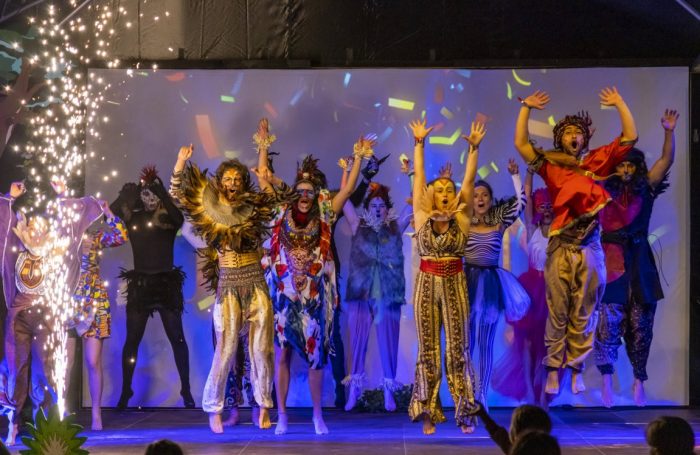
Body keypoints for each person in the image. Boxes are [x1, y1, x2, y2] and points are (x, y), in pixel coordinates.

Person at [513, 87, 638, 396]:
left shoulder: (597, 162)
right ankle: (553, 368)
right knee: (559, 310)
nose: (573, 136)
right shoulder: (552, 165)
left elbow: (629, 137)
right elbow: (521, 144)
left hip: (590, 244)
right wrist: (526, 108)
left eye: (578, 132)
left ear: (584, 139)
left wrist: (620, 102)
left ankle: (576, 368)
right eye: (568, 132)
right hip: (561, 244)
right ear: (560, 139)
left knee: (585, 309)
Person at [171, 126, 292, 433]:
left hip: (255, 282)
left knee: (262, 350)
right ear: (220, 183)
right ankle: (214, 408)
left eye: (238, 179)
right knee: (225, 349)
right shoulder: (209, 210)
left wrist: (263, 151)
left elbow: (277, 199)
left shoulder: (253, 209)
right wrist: (181, 162)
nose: (233, 183)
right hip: (228, 284)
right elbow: (178, 195)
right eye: (228, 179)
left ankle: (264, 406)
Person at [255, 124, 373, 435]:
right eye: (301, 191)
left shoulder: (324, 214)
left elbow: (347, 190)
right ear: (294, 195)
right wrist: (263, 145)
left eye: (310, 191)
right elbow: (264, 178)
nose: (305, 195)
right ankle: (282, 415)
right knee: (282, 354)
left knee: (315, 358)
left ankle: (318, 415)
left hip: (314, 299)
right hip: (285, 298)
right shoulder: (281, 212)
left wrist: (359, 157)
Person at [0, 179, 103, 445]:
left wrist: (62, 196)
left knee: (46, 370)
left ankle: (47, 424)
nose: (35, 233)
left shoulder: (56, 254)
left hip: (46, 317)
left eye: (41, 229)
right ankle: (13, 424)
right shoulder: (17, 252)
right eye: (31, 228)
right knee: (16, 370)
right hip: (19, 317)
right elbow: (5, 230)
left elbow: (68, 227)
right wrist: (10, 198)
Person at [595, 109, 679, 407]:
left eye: (631, 164)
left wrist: (669, 131)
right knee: (608, 322)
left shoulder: (645, 188)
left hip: (639, 259)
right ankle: (606, 379)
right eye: (622, 165)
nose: (627, 169)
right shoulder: (603, 190)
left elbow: (666, 160)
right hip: (612, 260)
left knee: (641, 324)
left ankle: (638, 379)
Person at [407, 118, 483, 435]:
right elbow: (419, 178)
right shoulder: (422, 215)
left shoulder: (461, 218)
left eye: (449, 190)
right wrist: (419, 143)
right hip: (426, 284)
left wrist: (474, 149)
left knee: (458, 349)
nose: (444, 194)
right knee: (427, 349)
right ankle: (427, 411)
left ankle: (465, 412)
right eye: (439, 191)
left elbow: (469, 181)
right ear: (431, 195)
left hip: (454, 283)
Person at [111, 166, 193, 409]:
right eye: (145, 195)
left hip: (165, 284)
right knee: (132, 340)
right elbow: (112, 212)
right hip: (141, 285)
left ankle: (186, 389)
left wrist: (162, 192)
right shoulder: (134, 218)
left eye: (153, 195)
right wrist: (127, 194)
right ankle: (126, 390)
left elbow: (179, 219)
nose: (149, 200)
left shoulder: (167, 221)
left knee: (177, 338)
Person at [342, 180, 412, 412]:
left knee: (389, 341)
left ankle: (389, 391)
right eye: (374, 205)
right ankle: (354, 389)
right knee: (357, 341)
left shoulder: (396, 226)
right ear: (367, 208)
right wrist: (349, 171)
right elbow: (345, 198)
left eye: (382, 205)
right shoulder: (357, 225)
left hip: (388, 293)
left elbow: (414, 202)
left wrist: (412, 174)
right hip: (361, 292)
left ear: (387, 208)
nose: (378, 209)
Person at [464, 159, 529, 407]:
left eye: (484, 195)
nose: (480, 199)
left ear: (491, 200)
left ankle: (482, 395)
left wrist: (515, 176)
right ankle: (467, 391)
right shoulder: (464, 222)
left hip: (491, 283)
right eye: (475, 195)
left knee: (485, 342)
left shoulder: (498, 222)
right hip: (467, 283)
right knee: (466, 343)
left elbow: (521, 203)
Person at [492, 170, 553, 405]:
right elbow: (526, 199)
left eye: (549, 206)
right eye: (542, 206)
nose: (545, 210)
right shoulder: (532, 229)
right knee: (526, 343)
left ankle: (543, 394)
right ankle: (529, 388)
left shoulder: (559, 233)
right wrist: (526, 174)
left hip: (551, 289)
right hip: (532, 290)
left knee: (547, 345)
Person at [66, 203, 128, 430]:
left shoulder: (96, 237)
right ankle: (60, 412)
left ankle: (96, 414)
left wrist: (109, 213)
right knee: (66, 364)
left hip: (95, 300)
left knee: (93, 361)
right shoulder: (65, 237)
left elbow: (121, 236)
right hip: (68, 302)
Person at [474, 402, 552, 454]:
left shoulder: (516, 450)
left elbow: (499, 435)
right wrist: (483, 415)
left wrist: (483, 415)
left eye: (513, 425)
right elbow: (498, 433)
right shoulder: (550, 449)